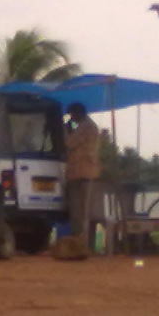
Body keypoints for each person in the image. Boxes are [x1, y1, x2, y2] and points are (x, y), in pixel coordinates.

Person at [64, 102, 101, 246]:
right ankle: (85, 241)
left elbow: (69, 143)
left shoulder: (86, 127)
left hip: (81, 173)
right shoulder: (89, 126)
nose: (71, 118)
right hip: (86, 172)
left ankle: (79, 240)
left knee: (78, 209)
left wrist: (66, 130)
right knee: (85, 210)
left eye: (72, 115)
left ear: (77, 113)